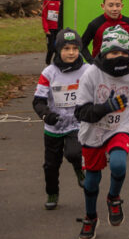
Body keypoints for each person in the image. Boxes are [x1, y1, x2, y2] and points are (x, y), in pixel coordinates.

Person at [74, 27, 129, 239]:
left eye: (123, 52)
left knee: (118, 164)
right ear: (103, 52)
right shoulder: (91, 74)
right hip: (93, 130)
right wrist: (106, 106)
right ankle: (91, 217)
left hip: (121, 126)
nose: (119, 57)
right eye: (113, 53)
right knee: (91, 181)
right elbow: (80, 112)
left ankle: (113, 197)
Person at [33, 29, 89, 210]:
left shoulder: (87, 70)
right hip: (54, 126)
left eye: (74, 48)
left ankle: (80, 169)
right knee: (51, 165)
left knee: (74, 153)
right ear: (58, 50)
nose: (71, 52)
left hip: (76, 123)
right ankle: (52, 193)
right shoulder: (49, 72)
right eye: (66, 49)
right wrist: (46, 114)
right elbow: (38, 101)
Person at [81, 0, 129, 65]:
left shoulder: (128, 22)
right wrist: (92, 62)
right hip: (101, 67)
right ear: (103, 6)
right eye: (110, 5)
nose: (115, 9)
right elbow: (82, 45)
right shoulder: (95, 24)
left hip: (123, 65)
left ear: (122, 6)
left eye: (118, 5)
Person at [41, 0, 64, 65]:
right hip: (50, 29)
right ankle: (47, 63)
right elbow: (44, 16)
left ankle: (55, 64)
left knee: (58, 48)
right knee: (51, 48)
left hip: (59, 28)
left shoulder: (62, 1)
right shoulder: (47, 1)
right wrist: (46, 29)